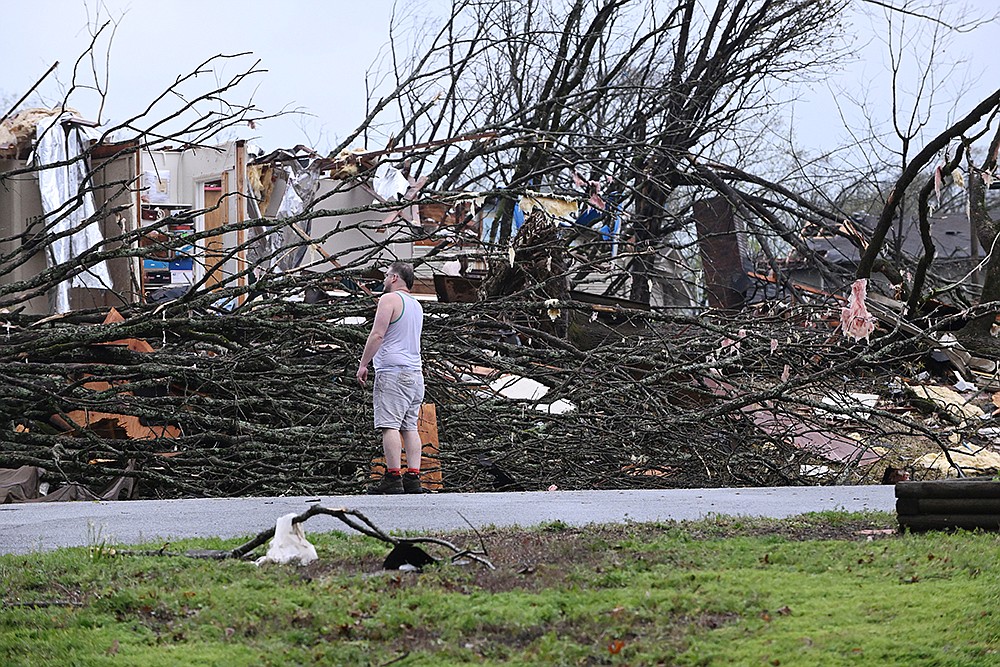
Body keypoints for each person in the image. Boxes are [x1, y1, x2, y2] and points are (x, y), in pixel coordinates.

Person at [357, 261, 427, 494]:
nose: (384, 280)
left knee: (389, 426)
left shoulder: (388, 300)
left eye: (387, 275)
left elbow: (377, 334)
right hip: (415, 374)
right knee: (410, 427)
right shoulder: (417, 305)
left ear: (395, 278)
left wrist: (364, 363)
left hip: (393, 373)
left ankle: (393, 477)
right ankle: (413, 478)